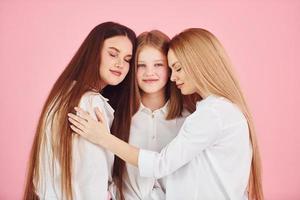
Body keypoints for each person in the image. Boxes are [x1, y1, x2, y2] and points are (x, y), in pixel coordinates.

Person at [68, 28, 263, 199]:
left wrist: (104, 138)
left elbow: (161, 165)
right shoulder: (114, 113)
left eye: (170, 67)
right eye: (140, 65)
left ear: (198, 65)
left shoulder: (207, 114)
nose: (172, 76)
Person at [23, 22, 137, 200]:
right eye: (113, 54)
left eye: (127, 59)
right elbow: (91, 176)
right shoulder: (91, 103)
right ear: (94, 52)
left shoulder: (64, 93)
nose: (120, 64)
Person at [118, 30, 190, 200]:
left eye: (158, 64)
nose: (149, 73)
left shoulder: (188, 119)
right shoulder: (118, 116)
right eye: (141, 65)